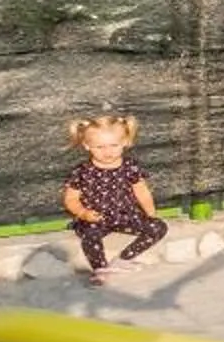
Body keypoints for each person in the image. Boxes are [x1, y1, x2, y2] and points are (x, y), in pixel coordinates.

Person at [64, 114, 168, 280]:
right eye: (100, 147)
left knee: (159, 227)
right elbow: (70, 199)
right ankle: (100, 269)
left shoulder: (130, 166)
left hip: (126, 216)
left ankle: (123, 259)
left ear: (125, 142)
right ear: (86, 145)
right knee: (90, 236)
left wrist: (150, 213)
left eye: (114, 145)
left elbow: (142, 191)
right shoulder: (82, 171)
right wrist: (83, 213)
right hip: (95, 219)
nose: (108, 152)